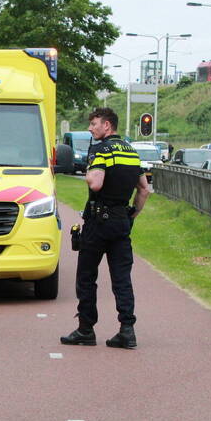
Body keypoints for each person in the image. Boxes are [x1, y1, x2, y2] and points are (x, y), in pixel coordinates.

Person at [61, 107, 150, 349]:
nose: (90, 128)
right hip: (121, 222)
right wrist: (131, 215)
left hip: (98, 222)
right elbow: (144, 190)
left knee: (87, 277)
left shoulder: (100, 150)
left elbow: (96, 184)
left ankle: (86, 329)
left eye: (94, 123)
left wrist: (89, 172)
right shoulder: (131, 152)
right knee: (122, 278)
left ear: (107, 125)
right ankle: (127, 330)